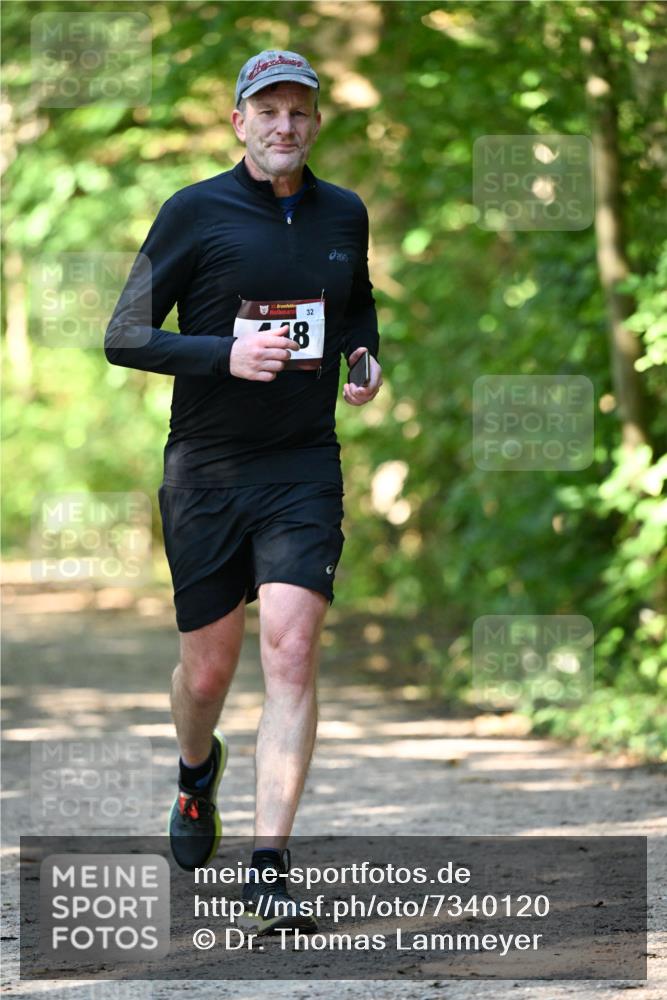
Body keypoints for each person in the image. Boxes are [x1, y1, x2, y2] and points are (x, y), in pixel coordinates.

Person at [105, 49, 382, 934]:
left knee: (292, 650)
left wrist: (362, 355)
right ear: (238, 121)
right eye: (268, 110)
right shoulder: (193, 211)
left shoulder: (346, 212)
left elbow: (357, 301)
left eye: (299, 111)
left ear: (314, 123)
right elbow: (123, 335)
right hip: (208, 471)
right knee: (208, 669)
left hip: (303, 464)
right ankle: (195, 775)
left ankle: (269, 863)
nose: (284, 125)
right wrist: (220, 351)